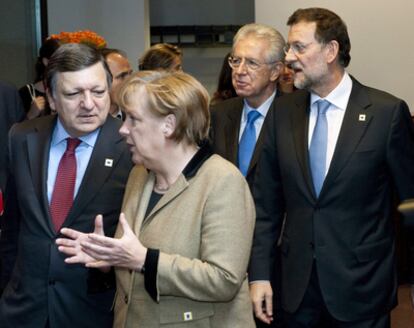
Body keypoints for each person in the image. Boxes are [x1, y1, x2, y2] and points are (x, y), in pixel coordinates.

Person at [249, 7, 414, 328]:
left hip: (363, 287)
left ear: (331, 51)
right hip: (296, 292)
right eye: (288, 48)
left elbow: (410, 204)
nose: (289, 57)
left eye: (299, 47)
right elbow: (265, 206)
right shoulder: (282, 114)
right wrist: (259, 276)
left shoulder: (386, 113)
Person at [56, 70, 256, 327]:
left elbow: (224, 279)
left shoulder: (222, 181)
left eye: (133, 119)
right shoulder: (140, 175)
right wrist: (108, 257)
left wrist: (143, 259)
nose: (123, 130)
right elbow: (131, 264)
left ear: (169, 125)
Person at [0, 43, 133, 327]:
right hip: (23, 312)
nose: (88, 104)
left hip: (94, 312)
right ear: (50, 96)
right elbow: (13, 228)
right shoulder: (22, 137)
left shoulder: (131, 147)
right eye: (73, 94)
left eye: (98, 92)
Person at [210, 23, 285, 186]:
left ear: (275, 71)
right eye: (236, 61)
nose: (239, 71)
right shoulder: (217, 115)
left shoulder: (294, 116)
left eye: (251, 63)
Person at [19, 37, 60, 119]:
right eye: (60, 60)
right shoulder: (26, 93)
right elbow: (15, 130)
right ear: (46, 62)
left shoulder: (72, 91)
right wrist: (31, 114)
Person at [101, 48, 133, 120]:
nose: (130, 82)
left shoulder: (135, 120)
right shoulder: (83, 126)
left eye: (130, 74)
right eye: (122, 76)